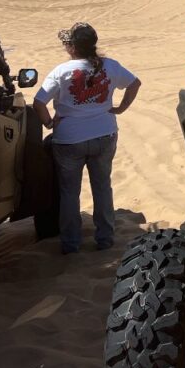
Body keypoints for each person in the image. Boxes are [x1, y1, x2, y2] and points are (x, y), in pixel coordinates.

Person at [32, 23, 140, 253]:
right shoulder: (109, 65)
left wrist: (49, 123)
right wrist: (120, 108)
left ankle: (71, 243)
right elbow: (134, 83)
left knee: (70, 192)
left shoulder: (61, 71)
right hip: (104, 134)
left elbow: (38, 103)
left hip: (70, 139)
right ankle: (105, 238)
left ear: (72, 48)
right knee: (102, 187)